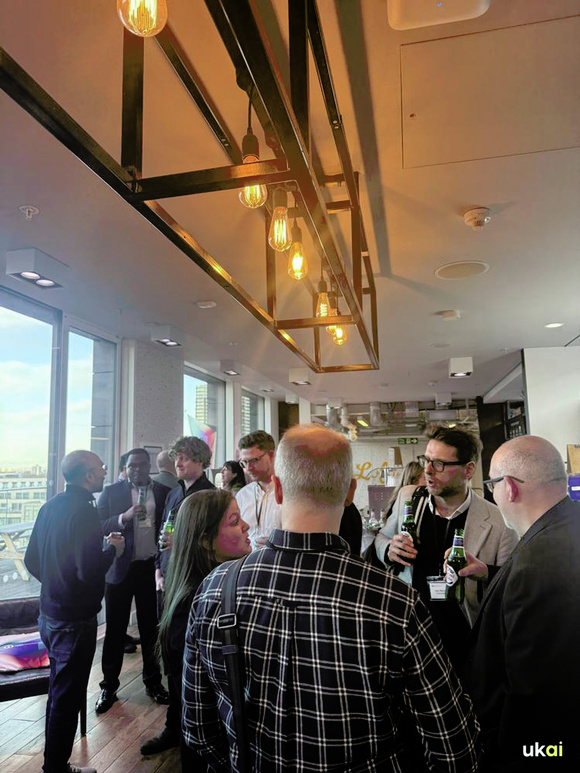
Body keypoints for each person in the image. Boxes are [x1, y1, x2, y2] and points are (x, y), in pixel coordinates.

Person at [182, 424, 481, 771]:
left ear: (278, 489)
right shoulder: (394, 602)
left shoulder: (217, 588)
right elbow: (454, 746)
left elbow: (199, 729)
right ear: (350, 491)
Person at [464, 435, 580, 771]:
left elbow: (536, 694)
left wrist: (518, 755)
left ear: (510, 487)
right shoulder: (564, 527)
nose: (493, 494)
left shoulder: (538, 562)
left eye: (492, 485)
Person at [374, 424, 518, 673]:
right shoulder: (409, 498)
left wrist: (485, 572)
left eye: (439, 464)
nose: (428, 470)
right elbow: (382, 537)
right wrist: (389, 548)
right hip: (411, 636)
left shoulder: (498, 521)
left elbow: (512, 586)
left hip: (465, 643)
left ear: (468, 469)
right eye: (426, 460)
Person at [24, 450, 125, 773]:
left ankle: (54, 765)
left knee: (58, 693)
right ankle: (55, 769)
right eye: (101, 468)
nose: (105, 472)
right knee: (67, 700)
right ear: (88, 475)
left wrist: (58, 584)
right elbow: (89, 572)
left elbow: (31, 560)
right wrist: (113, 550)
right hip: (74, 621)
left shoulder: (50, 505)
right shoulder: (84, 511)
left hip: (49, 615)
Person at [140, 490, 251, 761]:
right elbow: (195, 702)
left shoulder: (219, 586)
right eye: (235, 521)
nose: (246, 526)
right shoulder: (197, 601)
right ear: (206, 540)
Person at [95, 448, 171, 714]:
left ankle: (153, 682)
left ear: (149, 466)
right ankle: (108, 686)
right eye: (131, 466)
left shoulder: (162, 492)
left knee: (150, 628)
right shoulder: (111, 492)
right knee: (115, 630)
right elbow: (98, 525)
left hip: (150, 568)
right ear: (125, 468)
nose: (136, 470)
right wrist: (123, 517)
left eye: (141, 465)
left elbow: (169, 523)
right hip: (119, 568)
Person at [155, 436, 215, 593]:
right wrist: (158, 570)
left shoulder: (212, 496)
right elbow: (162, 531)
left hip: (194, 580)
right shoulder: (172, 494)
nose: (177, 464)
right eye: (176, 458)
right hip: (166, 578)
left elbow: (214, 543)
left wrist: (180, 542)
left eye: (184, 459)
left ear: (200, 460)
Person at [235, 430, 281, 549]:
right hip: (248, 559)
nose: (248, 468)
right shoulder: (242, 495)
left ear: (271, 455)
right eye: (244, 462)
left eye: (254, 461)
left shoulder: (291, 492)